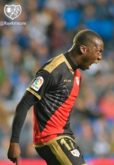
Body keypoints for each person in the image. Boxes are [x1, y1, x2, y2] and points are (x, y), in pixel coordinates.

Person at [7, 29, 104, 165]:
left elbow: (61, 108)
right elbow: (24, 104)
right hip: (52, 138)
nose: (99, 58)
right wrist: (14, 142)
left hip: (64, 137)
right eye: (98, 51)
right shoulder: (53, 70)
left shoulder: (76, 75)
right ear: (83, 49)